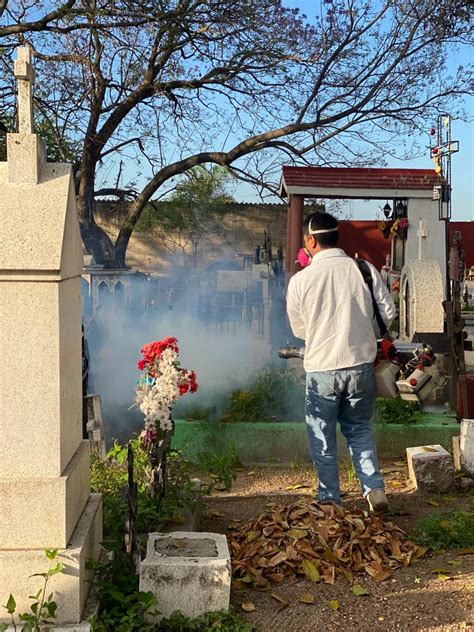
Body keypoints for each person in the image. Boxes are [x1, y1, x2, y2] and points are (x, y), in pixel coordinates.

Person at [286, 212, 396, 512]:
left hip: (321, 368)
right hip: (360, 366)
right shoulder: (363, 269)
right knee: (359, 429)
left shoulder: (300, 281)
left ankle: (330, 499)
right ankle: (373, 489)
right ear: (336, 237)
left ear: (310, 240)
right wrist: (363, 332)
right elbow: (387, 313)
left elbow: (299, 330)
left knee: (322, 433)